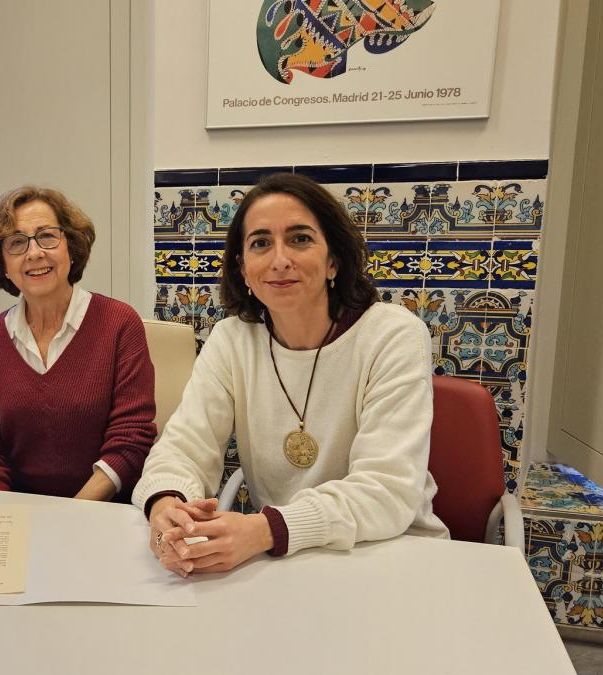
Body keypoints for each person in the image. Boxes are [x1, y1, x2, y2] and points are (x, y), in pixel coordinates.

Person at [134, 172, 448, 576]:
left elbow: (386, 491)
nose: (279, 259)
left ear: (333, 259)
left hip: (393, 555)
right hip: (287, 560)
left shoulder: (393, 335)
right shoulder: (232, 339)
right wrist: (168, 507)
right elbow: (183, 448)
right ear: (243, 269)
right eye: (260, 243)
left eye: (300, 239)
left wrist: (266, 529)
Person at [0, 186, 155, 501]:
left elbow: (131, 440)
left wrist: (73, 513)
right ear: (3, 265)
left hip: (104, 511)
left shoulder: (119, 323)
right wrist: (5, 518)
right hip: (17, 514)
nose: (34, 253)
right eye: (16, 243)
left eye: (47, 236)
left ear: (71, 247)